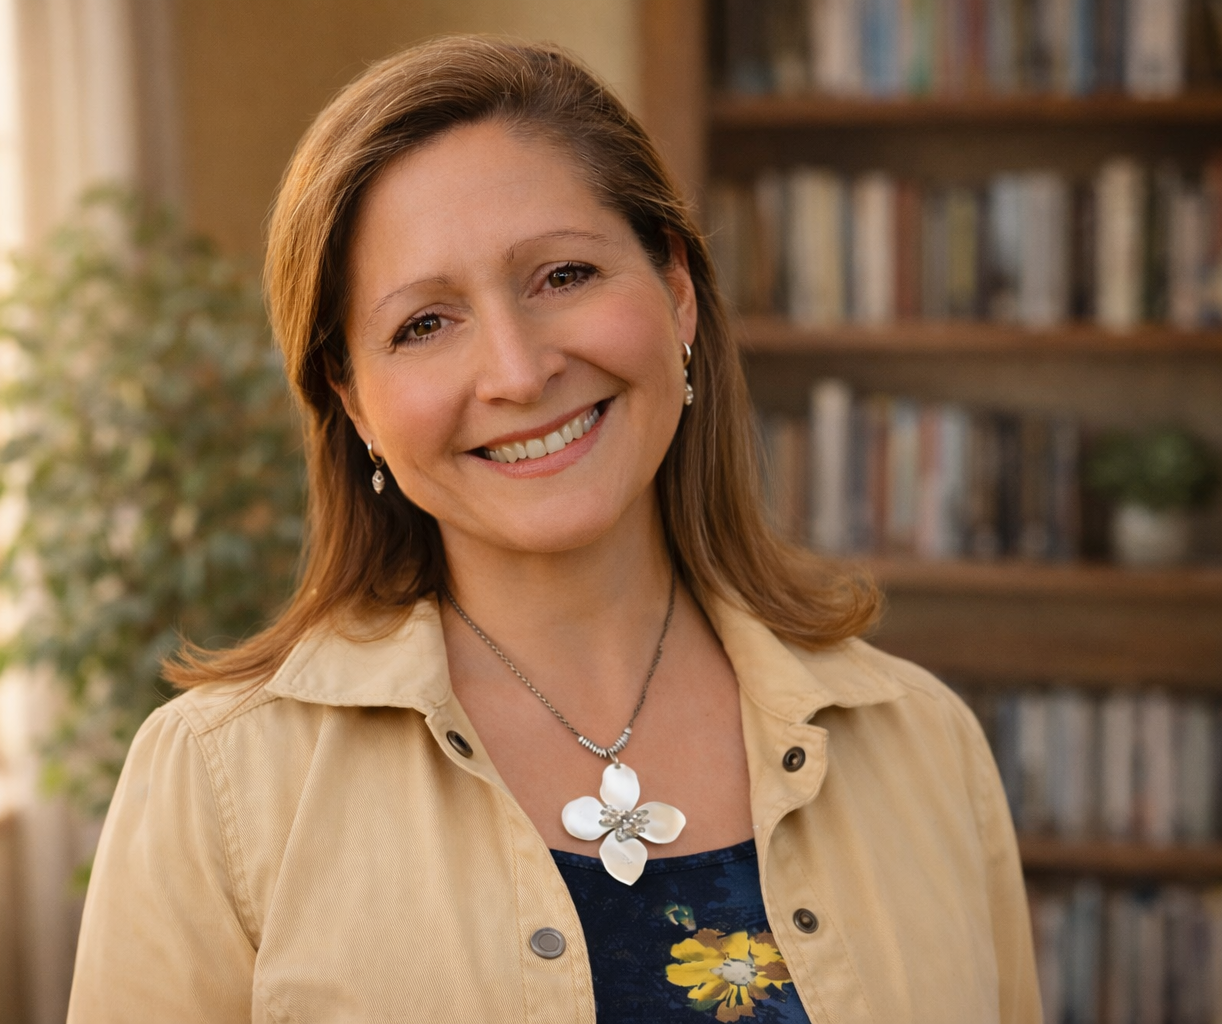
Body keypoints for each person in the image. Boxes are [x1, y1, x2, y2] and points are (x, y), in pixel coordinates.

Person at [67, 36, 1039, 1024]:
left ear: (676, 293)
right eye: (424, 324)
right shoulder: (216, 782)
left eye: (563, 275)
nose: (520, 373)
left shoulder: (925, 742)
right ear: (353, 403)